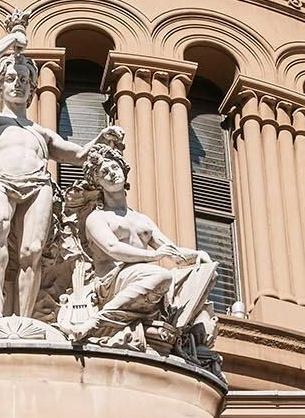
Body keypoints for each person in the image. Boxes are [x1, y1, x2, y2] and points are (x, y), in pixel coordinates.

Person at [0, 13, 90, 319]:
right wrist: (9, 42)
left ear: (32, 88)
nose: (17, 84)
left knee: (32, 250)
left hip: (38, 184)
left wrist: (103, 141)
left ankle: (24, 319)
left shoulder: (40, 132)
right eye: (10, 78)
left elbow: (79, 155)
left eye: (23, 80)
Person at [75, 140, 219, 350]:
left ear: (123, 170)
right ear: (98, 183)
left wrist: (197, 255)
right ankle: (98, 320)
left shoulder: (142, 220)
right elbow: (113, 248)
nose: (111, 173)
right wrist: (154, 256)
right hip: (112, 282)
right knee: (162, 276)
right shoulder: (97, 218)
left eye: (114, 167)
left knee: (206, 274)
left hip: (143, 276)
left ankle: (170, 324)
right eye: (104, 172)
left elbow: (172, 252)